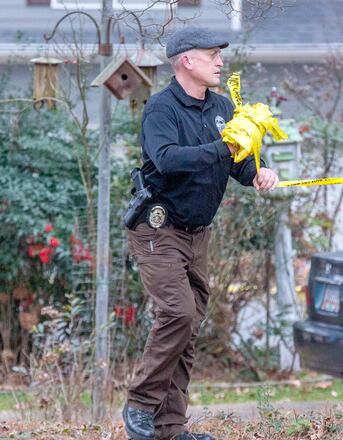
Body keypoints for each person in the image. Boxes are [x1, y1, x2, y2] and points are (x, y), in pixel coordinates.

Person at [122, 26, 279, 440]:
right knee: (177, 312)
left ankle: (170, 429)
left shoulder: (223, 107)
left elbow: (239, 163)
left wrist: (259, 172)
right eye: (212, 55)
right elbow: (168, 160)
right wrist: (223, 148)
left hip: (197, 234)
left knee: (187, 329)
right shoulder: (161, 109)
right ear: (186, 61)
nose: (220, 62)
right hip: (158, 228)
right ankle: (139, 402)